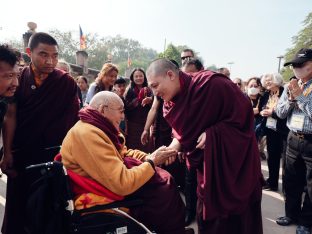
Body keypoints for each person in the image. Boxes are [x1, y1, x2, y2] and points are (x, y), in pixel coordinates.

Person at [146, 58, 263, 234]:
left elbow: (244, 117)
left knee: (238, 219)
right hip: (207, 169)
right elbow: (183, 134)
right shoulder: (169, 104)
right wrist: (171, 149)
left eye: (155, 85)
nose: (155, 92)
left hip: (235, 165)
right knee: (208, 215)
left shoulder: (211, 84)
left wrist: (214, 133)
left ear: (170, 75)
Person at [60, 91, 186, 234]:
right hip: (98, 187)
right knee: (163, 187)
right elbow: (122, 184)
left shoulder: (99, 125)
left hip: (108, 180)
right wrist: (152, 162)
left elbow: (123, 152)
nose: (122, 117)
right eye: (120, 111)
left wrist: (149, 157)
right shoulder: (87, 134)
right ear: (102, 109)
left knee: (163, 179)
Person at [1, 32, 80, 234]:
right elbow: (11, 115)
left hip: (52, 156)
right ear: (29, 52)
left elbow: (72, 122)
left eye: (54, 56)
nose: (50, 61)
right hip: (23, 154)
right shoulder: (18, 78)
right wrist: (7, 152)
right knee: (18, 206)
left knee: (48, 208)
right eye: (44, 55)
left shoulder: (66, 83)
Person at [275, 48, 312, 234]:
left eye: (301, 64)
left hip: (311, 141)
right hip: (292, 138)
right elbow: (280, 113)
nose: (296, 68)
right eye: (294, 65)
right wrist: (290, 98)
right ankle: (291, 214)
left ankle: (306, 222)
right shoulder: (291, 85)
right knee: (290, 180)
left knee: (311, 186)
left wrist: (301, 97)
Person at [259, 73, 288, 192]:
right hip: (271, 130)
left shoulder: (285, 92)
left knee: (286, 161)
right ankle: (272, 182)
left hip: (284, 130)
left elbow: (286, 111)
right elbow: (262, 107)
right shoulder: (266, 94)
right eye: (265, 81)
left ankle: (288, 186)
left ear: (277, 80)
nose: (267, 82)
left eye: (269, 80)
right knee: (272, 158)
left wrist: (273, 113)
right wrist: (263, 112)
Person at [124, 68, 153, 152]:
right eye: (136, 76)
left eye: (141, 76)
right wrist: (138, 99)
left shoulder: (149, 89)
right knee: (133, 148)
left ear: (145, 77)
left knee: (146, 147)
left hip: (146, 124)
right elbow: (127, 107)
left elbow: (155, 104)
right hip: (133, 124)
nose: (139, 78)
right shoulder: (129, 90)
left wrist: (150, 100)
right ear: (132, 78)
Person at [0, 45, 19, 168]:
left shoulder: (3, 104)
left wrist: (7, 153)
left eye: (17, 75)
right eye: (9, 76)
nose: (16, 83)